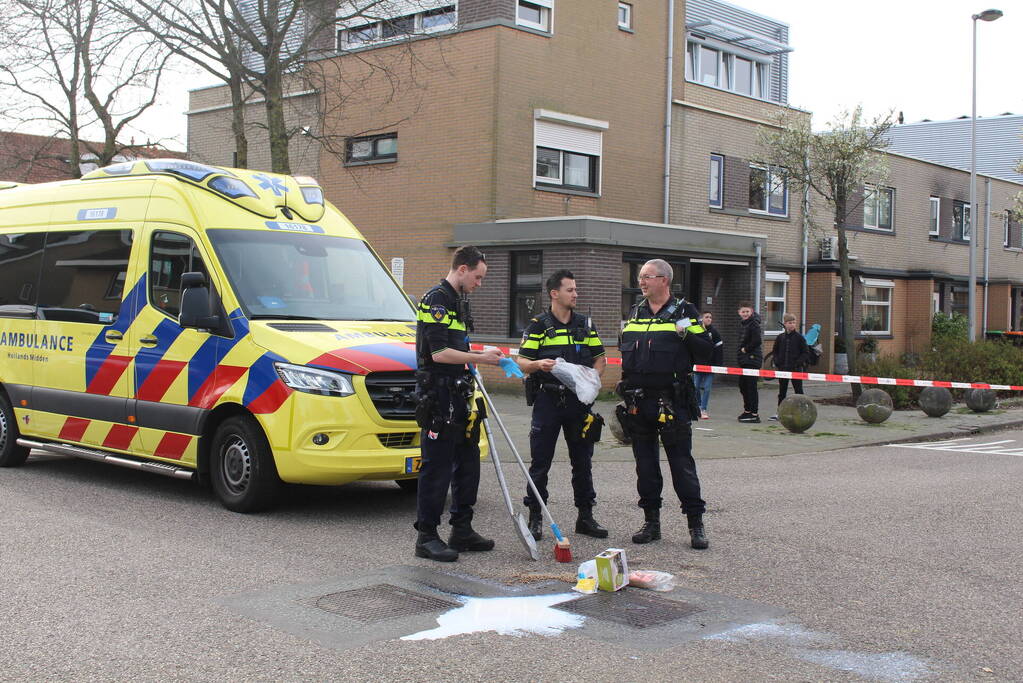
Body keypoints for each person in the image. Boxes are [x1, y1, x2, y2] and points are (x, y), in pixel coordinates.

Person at [413, 246, 504, 562]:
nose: (479, 284)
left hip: (459, 392)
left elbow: (458, 348)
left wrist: (476, 360)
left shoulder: (457, 301)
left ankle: (461, 530)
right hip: (438, 395)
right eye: (478, 277)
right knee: (436, 467)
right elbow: (439, 354)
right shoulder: (436, 300)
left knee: (468, 463)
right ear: (462, 269)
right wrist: (481, 358)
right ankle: (426, 537)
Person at [618, 259, 713, 549]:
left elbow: (706, 352)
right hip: (638, 401)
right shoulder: (636, 311)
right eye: (640, 277)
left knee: (681, 465)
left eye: (647, 277)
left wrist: (686, 333)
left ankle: (696, 525)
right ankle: (651, 523)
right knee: (645, 466)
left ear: (664, 280)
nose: (641, 282)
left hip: (671, 401)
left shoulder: (684, 312)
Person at [516, 269, 608, 541]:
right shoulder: (538, 325)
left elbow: (600, 359)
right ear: (555, 293)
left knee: (583, 461)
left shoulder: (585, 325)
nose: (575, 294)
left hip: (578, 403)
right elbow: (522, 362)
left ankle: (585, 517)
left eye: (576, 290)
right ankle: (535, 517)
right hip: (548, 401)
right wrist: (537, 365)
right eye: (570, 290)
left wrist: (592, 380)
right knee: (540, 463)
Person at [768, 313, 811, 420]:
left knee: (799, 391)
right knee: (782, 391)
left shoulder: (799, 338)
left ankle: (802, 412)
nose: (792, 325)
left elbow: (805, 352)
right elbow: (775, 351)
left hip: (796, 369)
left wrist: (798, 363)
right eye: (789, 323)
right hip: (783, 369)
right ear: (785, 324)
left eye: (793, 323)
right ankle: (780, 412)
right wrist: (777, 362)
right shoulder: (780, 337)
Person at [690, 311, 723, 420]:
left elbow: (719, 349)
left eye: (710, 317)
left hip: (710, 365)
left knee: (707, 388)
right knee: (696, 387)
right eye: (706, 317)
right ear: (701, 319)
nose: (709, 319)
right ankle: (698, 406)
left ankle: (704, 408)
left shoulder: (714, 332)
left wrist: (718, 364)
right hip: (698, 365)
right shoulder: (697, 331)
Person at [736, 301, 763, 423]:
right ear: (739, 313)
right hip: (744, 360)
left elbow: (757, 340)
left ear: (751, 312)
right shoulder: (744, 324)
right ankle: (747, 410)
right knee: (743, 386)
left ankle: (754, 413)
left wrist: (745, 349)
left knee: (751, 387)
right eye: (743, 312)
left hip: (752, 360)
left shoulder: (754, 324)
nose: (745, 314)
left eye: (747, 311)